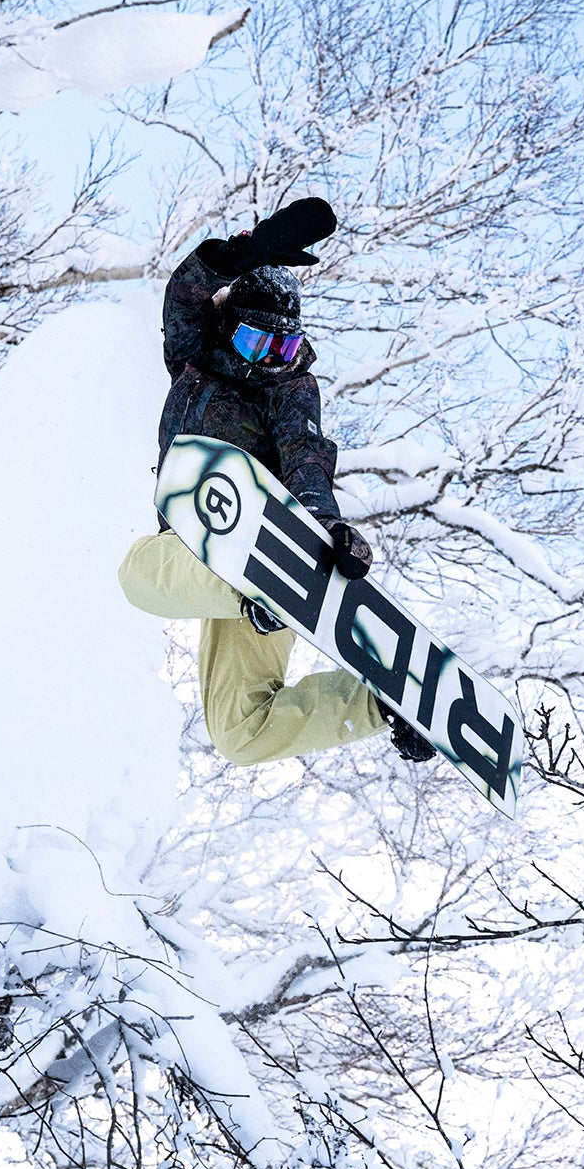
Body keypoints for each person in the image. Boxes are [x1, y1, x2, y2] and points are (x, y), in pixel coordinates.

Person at [118, 197, 435, 768]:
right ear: (227, 330)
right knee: (141, 579)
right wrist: (246, 252)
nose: (271, 360)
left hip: (263, 547)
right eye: (257, 344)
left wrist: (326, 526)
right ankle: (360, 689)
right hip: (202, 554)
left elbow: (305, 455)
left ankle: (277, 595)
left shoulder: (292, 386)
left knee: (241, 731)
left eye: (283, 347)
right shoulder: (195, 354)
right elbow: (184, 293)